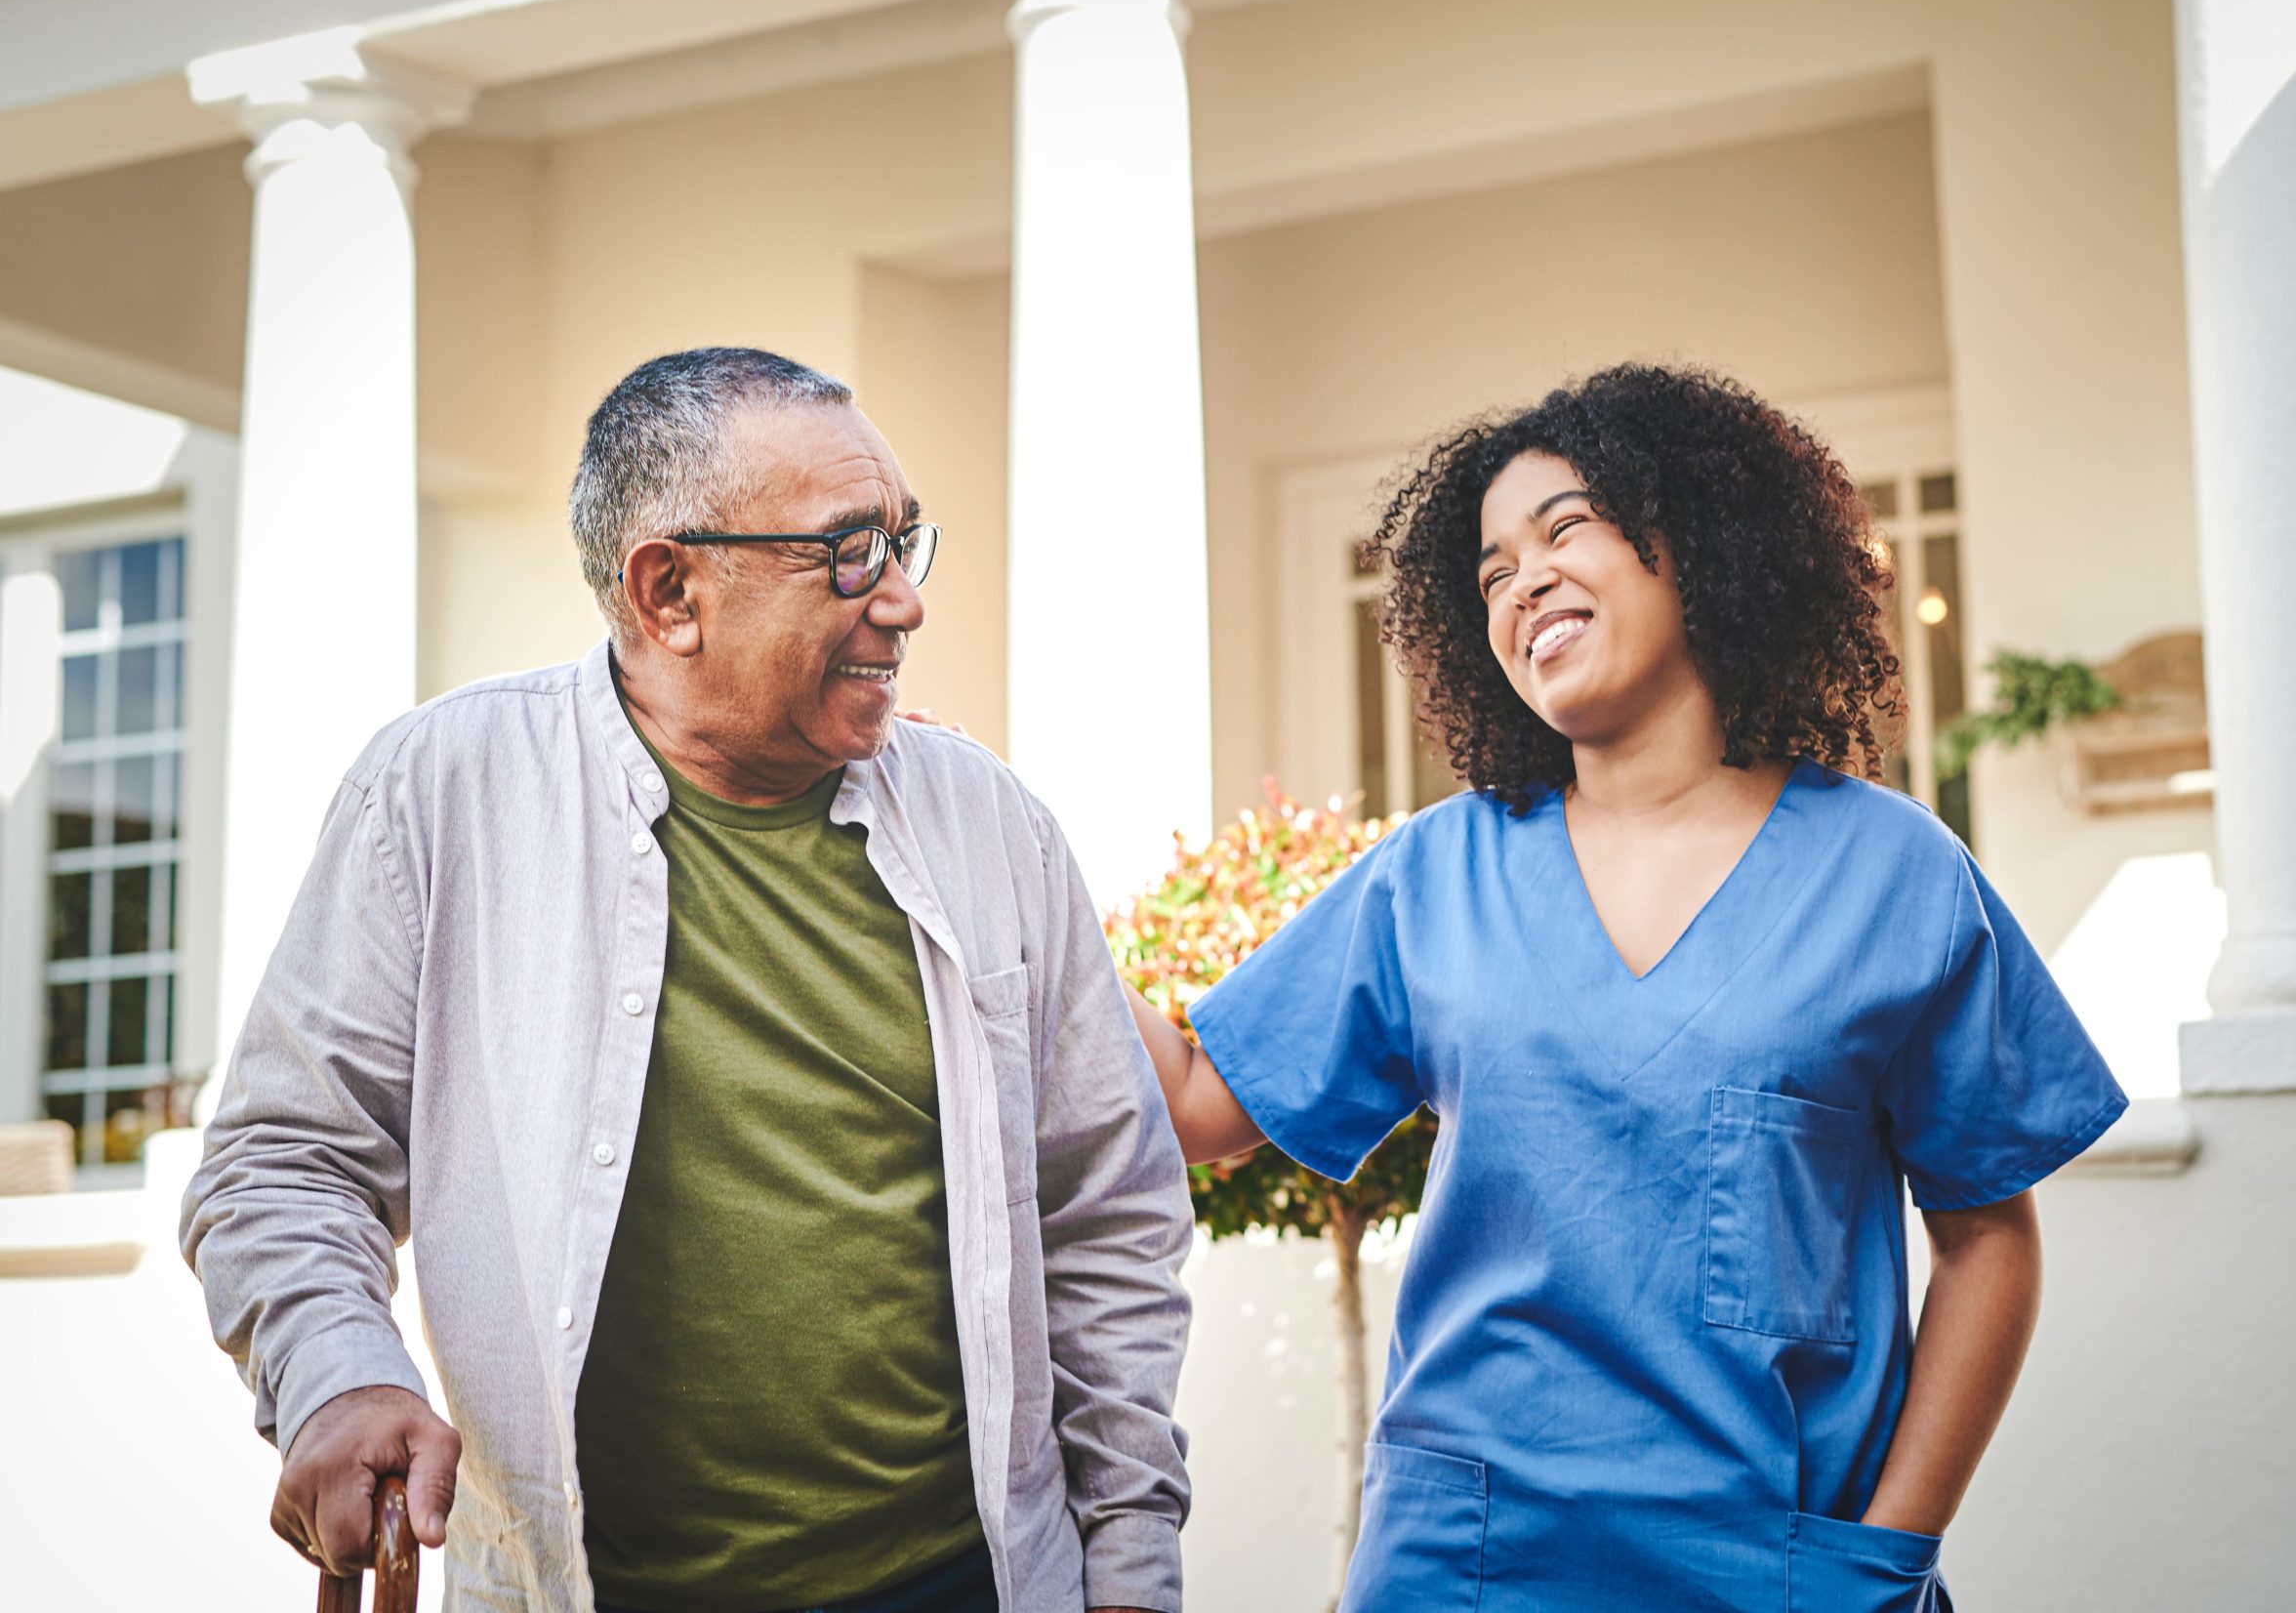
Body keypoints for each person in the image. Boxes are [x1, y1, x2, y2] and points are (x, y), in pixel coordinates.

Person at [182, 348, 1191, 1613]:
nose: (902, 602)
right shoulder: (441, 796)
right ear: (668, 591)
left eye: (903, 541)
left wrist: (1135, 1572)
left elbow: (1105, 1209)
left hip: (963, 1581)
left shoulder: (992, 825)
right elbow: (285, 1157)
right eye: (847, 553)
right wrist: (337, 1368)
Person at [1130, 363, 2127, 1611]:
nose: (1524, 580)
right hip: (1467, 1567)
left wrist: (1887, 1548)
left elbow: (1987, 1238)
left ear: (1697, 543)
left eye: (1564, 529)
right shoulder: (1434, 875)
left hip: (1783, 1570)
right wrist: (1001, 864)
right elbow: (1190, 1102)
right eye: (1491, 572)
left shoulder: (1895, 875)